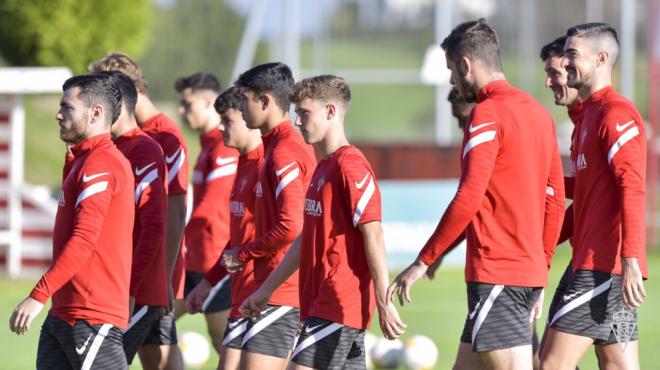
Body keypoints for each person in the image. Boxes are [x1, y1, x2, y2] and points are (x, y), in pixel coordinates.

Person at [388, 19, 565, 370]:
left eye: (452, 70)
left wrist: (423, 260)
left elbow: (469, 195)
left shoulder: (487, 113)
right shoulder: (539, 114)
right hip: (523, 273)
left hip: (497, 272)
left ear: (466, 65)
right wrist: (540, 270)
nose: (452, 80)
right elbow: (554, 200)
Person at [239, 74, 407, 369]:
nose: (298, 121)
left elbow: (374, 235)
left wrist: (383, 301)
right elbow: (306, 239)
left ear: (330, 112)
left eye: (304, 113)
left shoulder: (350, 166)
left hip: (338, 303)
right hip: (321, 303)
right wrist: (266, 290)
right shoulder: (323, 168)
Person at [540, 23, 648, 370]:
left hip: (604, 268)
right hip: (592, 265)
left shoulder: (616, 113)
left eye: (572, 54)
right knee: (616, 365)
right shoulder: (589, 115)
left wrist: (630, 260)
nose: (566, 62)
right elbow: (587, 198)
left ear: (601, 59)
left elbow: (632, 187)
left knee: (550, 365)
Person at [9, 73, 135, 369]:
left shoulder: (101, 163)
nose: (58, 114)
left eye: (67, 107)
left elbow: (84, 237)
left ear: (95, 113)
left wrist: (38, 295)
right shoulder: (83, 161)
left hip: (90, 315)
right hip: (64, 314)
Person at [90, 53, 188, 370]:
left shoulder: (164, 137)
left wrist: (166, 281)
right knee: (158, 356)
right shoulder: (121, 138)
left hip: (151, 274)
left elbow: (173, 215)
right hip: (132, 271)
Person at [220, 62, 317, 370]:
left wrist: (244, 253)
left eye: (245, 99)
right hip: (272, 289)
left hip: (283, 291)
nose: (241, 108)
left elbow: (291, 225)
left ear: (265, 101)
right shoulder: (273, 148)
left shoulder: (285, 151)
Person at [186, 86, 263, 370]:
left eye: (227, 120)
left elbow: (288, 231)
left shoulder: (267, 164)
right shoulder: (241, 163)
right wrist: (209, 281)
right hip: (235, 284)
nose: (220, 127)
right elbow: (238, 236)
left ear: (248, 117)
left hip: (266, 294)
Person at [101, 71, 170, 366]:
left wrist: (130, 287)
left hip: (136, 290)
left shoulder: (145, 150)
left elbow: (154, 226)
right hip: (111, 286)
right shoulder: (108, 148)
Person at [174, 73, 238, 354]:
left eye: (188, 104)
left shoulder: (224, 147)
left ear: (209, 102)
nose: (181, 110)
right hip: (194, 260)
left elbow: (210, 208)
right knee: (150, 323)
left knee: (228, 346)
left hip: (215, 262)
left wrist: (177, 242)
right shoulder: (207, 145)